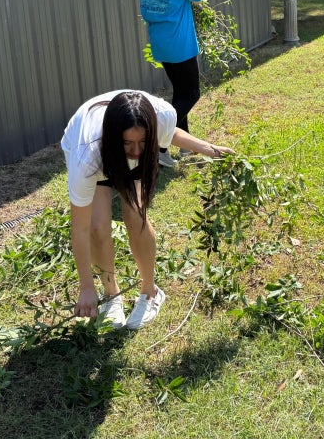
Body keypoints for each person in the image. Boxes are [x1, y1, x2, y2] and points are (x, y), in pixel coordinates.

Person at [61, 89, 233, 329]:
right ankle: (111, 295)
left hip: (119, 144)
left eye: (143, 142)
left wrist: (209, 148)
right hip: (99, 153)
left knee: (135, 216)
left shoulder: (161, 116)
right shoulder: (86, 158)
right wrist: (87, 287)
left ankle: (150, 291)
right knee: (97, 227)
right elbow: (79, 228)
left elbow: (169, 133)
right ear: (115, 138)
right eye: (128, 143)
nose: (136, 151)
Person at [137, 0, 204, 168]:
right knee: (192, 94)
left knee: (180, 92)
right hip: (181, 43)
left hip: (160, 43)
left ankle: (183, 146)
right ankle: (158, 141)